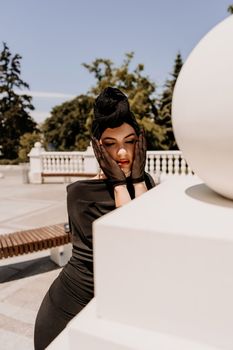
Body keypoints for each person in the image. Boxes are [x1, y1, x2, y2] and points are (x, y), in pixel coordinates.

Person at [34, 87, 155, 349]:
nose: (122, 154)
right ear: (98, 148)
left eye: (130, 142)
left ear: (140, 143)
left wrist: (136, 180)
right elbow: (129, 245)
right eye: (111, 145)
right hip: (69, 311)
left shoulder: (145, 184)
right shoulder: (80, 194)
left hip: (110, 312)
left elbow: (149, 249)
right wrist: (121, 186)